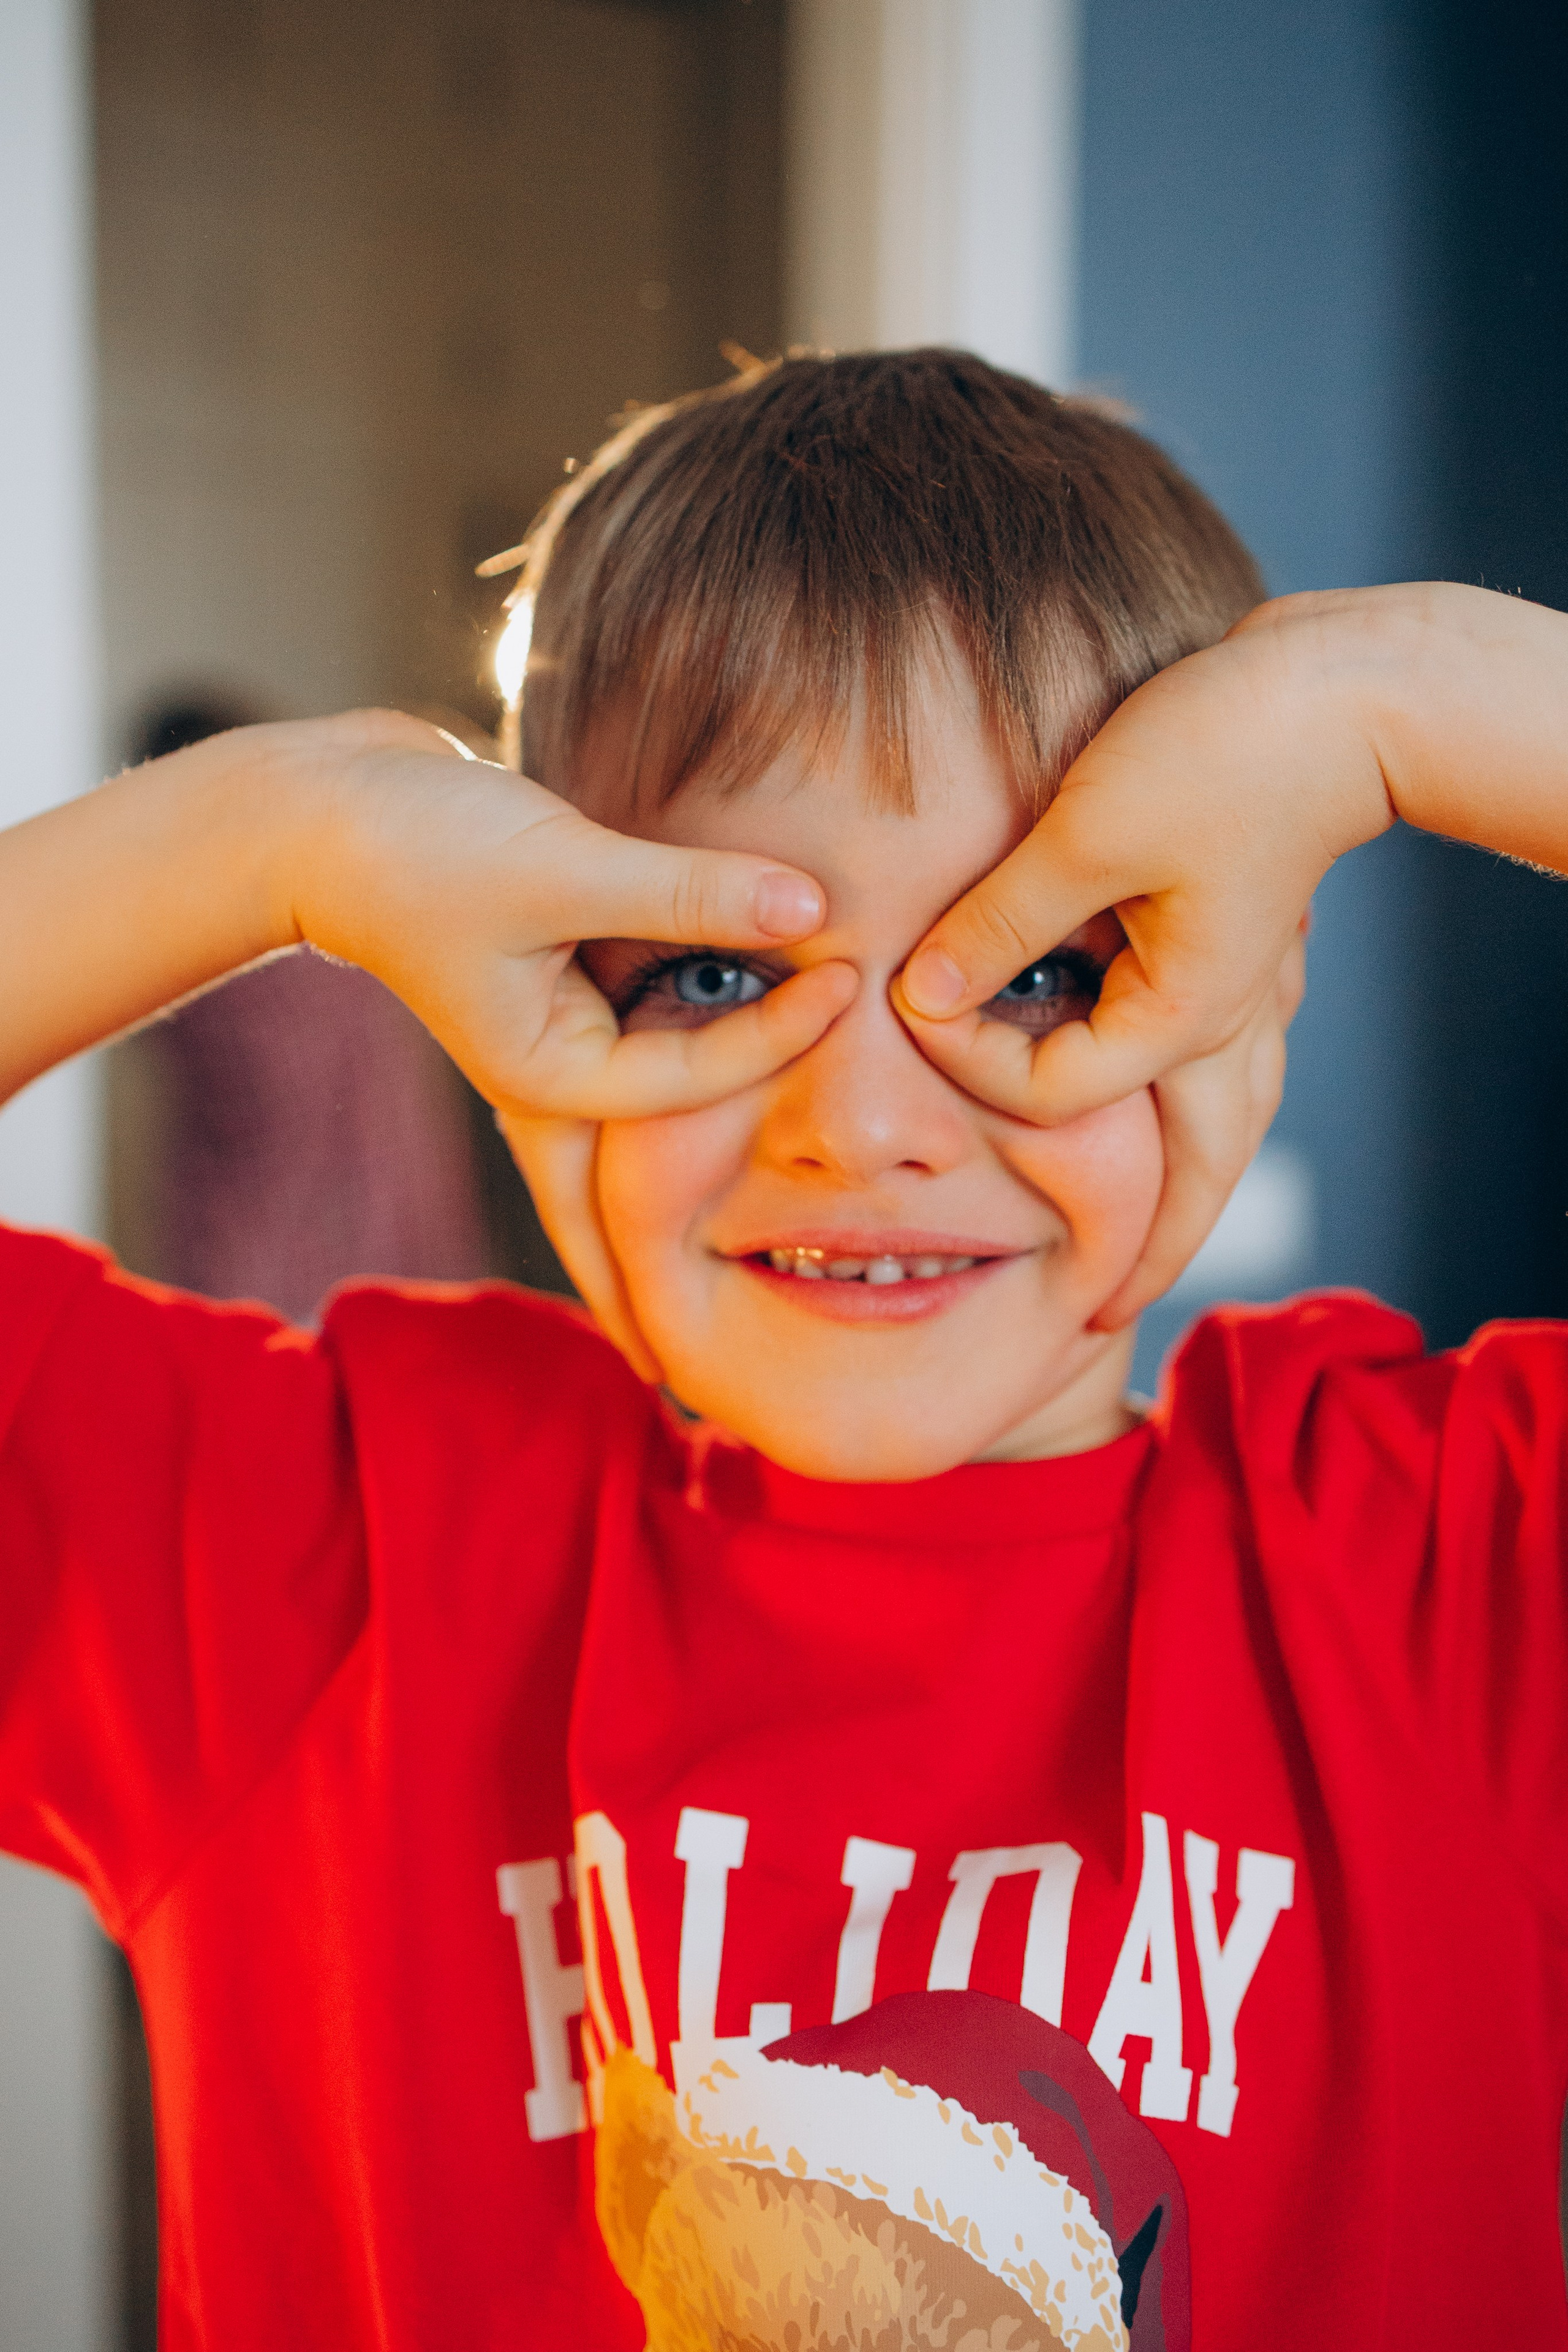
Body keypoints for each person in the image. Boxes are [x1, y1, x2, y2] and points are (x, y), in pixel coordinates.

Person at [1, 349, 1566, 2350]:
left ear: (1247, 1013)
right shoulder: (324, 1563)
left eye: (1048, 967)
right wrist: (270, 840)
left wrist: (1407, 698)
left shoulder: (1447, 1586)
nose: (867, 1127)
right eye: (722, 970)